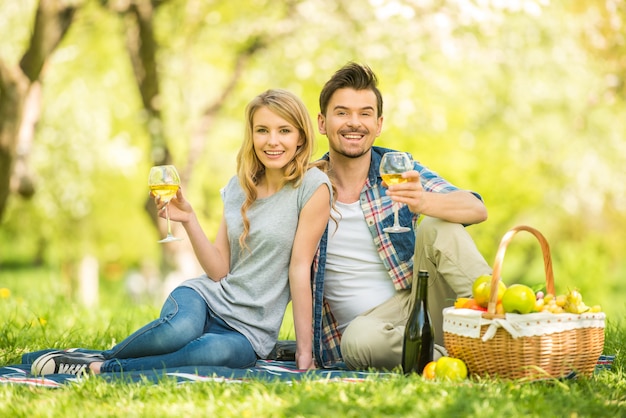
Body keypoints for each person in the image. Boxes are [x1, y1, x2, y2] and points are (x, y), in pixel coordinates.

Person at [31, 89, 332, 376]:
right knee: (178, 331)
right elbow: (217, 271)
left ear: (301, 137)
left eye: (284, 130)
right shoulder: (239, 187)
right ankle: (96, 362)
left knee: (210, 353)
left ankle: (95, 366)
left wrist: (305, 352)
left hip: (250, 331)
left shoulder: (312, 187)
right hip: (207, 298)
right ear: (251, 136)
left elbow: (299, 267)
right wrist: (189, 219)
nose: (272, 141)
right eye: (262, 130)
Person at [311, 62, 492, 371]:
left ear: (378, 124)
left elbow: (476, 208)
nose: (354, 122)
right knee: (357, 340)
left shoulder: (396, 167)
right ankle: (467, 361)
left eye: (365, 113)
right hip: (369, 333)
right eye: (342, 113)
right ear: (322, 122)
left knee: (437, 225)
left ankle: (510, 327)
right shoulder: (307, 186)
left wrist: (424, 201)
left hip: (422, 304)